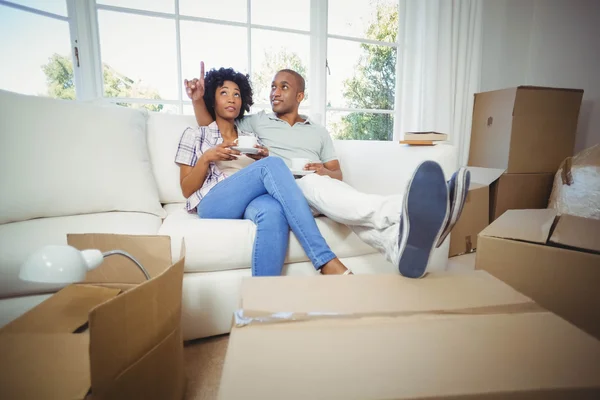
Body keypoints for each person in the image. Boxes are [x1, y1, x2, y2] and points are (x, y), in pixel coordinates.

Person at [184, 63, 470, 279]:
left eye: (283, 87)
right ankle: (410, 210)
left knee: (328, 200)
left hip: (305, 187)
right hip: (281, 184)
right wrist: (199, 99)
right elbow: (213, 125)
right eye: (272, 86)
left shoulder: (319, 132)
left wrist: (323, 170)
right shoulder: (256, 123)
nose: (275, 92)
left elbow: (336, 173)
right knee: (294, 178)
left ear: (300, 95)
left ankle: (396, 245)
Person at [176, 67, 352, 276]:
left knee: (273, 212)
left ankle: (262, 300)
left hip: (249, 199)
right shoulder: (195, 135)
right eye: (224, 92)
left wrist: (261, 157)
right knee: (274, 164)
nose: (231, 99)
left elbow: (256, 174)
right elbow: (187, 190)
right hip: (214, 201)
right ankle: (325, 259)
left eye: (237, 94)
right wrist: (207, 157)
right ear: (212, 99)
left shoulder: (250, 135)